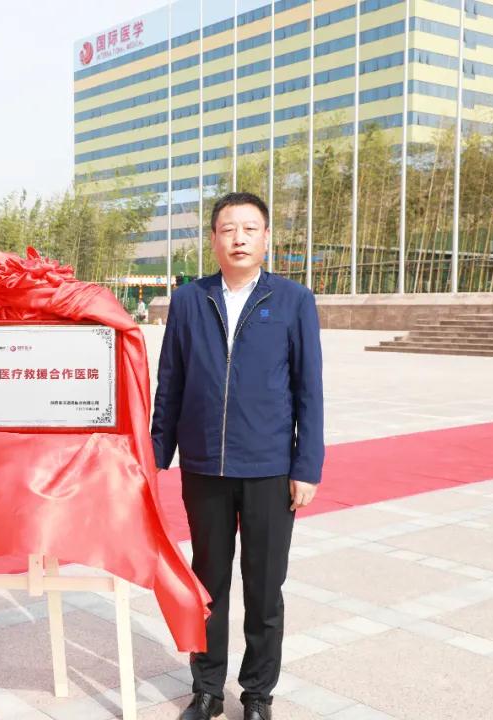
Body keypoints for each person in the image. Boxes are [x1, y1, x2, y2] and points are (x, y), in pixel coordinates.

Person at [151, 192, 324, 720]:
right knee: (208, 586)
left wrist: (306, 466)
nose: (239, 238)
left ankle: (256, 695)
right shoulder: (189, 300)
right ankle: (206, 689)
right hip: (204, 467)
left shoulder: (293, 300)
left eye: (250, 229)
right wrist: (156, 455)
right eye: (229, 229)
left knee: (265, 589)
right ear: (214, 240)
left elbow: (308, 389)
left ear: (266, 238)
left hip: (269, 468)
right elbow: (170, 383)